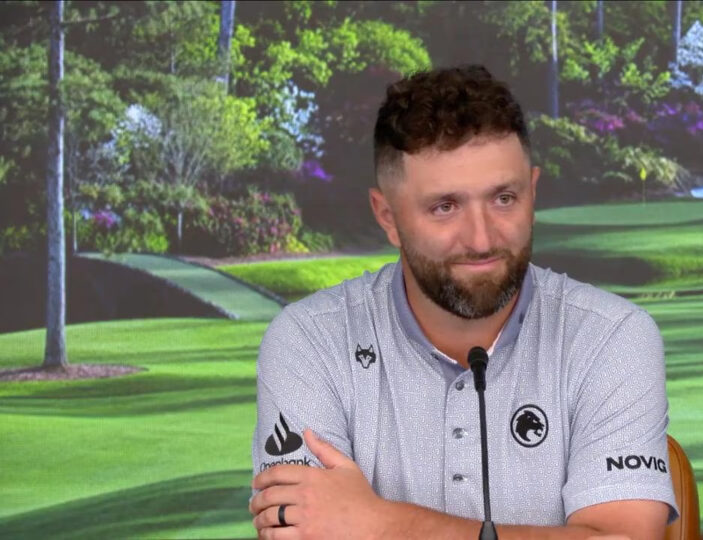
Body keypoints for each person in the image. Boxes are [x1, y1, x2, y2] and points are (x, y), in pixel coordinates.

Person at [249, 65, 678, 539]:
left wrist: (384, 525)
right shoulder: (309, 341)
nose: (481, 239)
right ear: (387, 216)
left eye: (504, 199)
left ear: (533, 191)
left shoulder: (612, 336)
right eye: (445, 207)